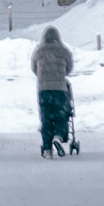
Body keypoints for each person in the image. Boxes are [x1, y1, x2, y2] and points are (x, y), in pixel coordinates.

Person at [31, 24, 74, 157]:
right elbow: (69, 68)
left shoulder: (39, 51)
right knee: (61, 116)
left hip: (44, 90)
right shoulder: (64, 50)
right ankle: (58, 137)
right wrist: (61, 74)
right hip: (60, 89)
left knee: (46, 119)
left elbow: (34, 69)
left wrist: (43, 76)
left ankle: (47, 149)